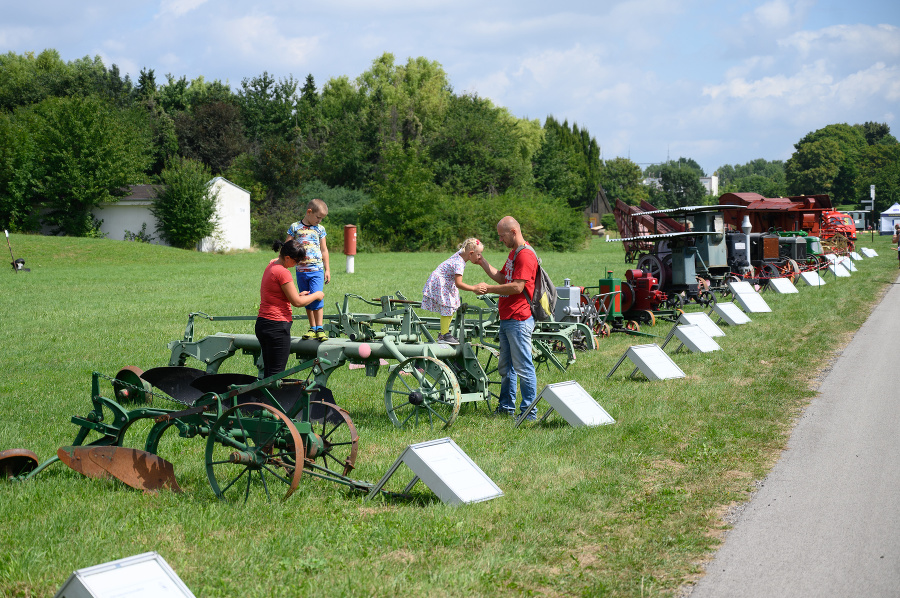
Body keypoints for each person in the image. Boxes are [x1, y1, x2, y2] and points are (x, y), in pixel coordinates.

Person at [473, 216, 538, 421]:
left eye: (502, 236)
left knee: (524, 367)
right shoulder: (514, 253)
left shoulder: (525, 255)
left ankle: (529, 413)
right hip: (508, 316)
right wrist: (482, 262)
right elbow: (503, 278)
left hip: (519, 318)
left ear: (513, 232)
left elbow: (517, 287)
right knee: (506, 367)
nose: (501, 240)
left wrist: (488, 289)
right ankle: (506, 407)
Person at [256, 240, 325, 379]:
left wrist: (297, 294)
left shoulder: (272, 266)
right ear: (287, 258)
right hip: (276, 327)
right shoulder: (283, 272)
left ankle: (262, 399)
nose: (297, 264)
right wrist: (316, 295)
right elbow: (297, 302)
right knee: (276, 376)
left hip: (263, 324)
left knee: (268, 374)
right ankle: (269, 400)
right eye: (296, 261)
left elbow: (278, 294)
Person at [421, 238, 485, 344]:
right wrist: (474, 288)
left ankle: (444, 333)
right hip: (441, 282)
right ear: (471, 253)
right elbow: (459, 283)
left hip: (444, 281)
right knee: (448, 306)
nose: (480, 257)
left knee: (452, 305)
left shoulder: (461, 254)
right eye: (479, 254)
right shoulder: (459, 263)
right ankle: (444, 335)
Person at [286, 198, 331, 341]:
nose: (319, 221)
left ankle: (320, 328)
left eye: (322, 218)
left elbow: (324, 250)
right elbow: (287, 247)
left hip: (316, 270)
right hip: (301, 271)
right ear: (309, 212)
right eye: (318, 217)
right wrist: (279, 262)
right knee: (306, 299)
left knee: (317, 297)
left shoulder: (320, 229)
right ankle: (312, 328)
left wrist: (327, 269)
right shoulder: (295, 227)